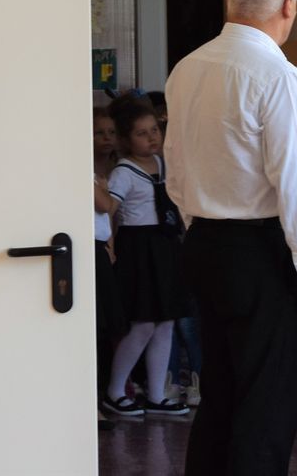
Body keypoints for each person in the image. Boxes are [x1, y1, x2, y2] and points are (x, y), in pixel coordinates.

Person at [165, 0, 297, 475]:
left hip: (204, 244)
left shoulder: (187, 68)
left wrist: (200, 224)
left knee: (220, 395)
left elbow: (175, 169)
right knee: (265, 405)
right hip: (259, 253)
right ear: (289, 4)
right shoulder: (277, 74)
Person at [96, 101, 191, 418]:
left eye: (154, 131)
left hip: (165, 246)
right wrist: (110, 246)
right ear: (126, 140)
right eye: (141, 134)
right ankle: (115, 391)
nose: (151, 138)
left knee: (166, 322)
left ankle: (156, 394)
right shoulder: (124, 172)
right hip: (139, 249)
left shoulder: (163, 164)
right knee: (143, 324)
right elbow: (110, 211)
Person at [92, 107, 122, 432]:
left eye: (111, 133)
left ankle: (103, 395)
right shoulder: (84, 168)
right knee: (97, 328)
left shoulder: (109, 171)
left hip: (101, 249)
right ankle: (95, 400)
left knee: (109, 327)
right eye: (99, 132)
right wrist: (107, 195)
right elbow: (105, 205)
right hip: (89, 251)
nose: (106, 139)